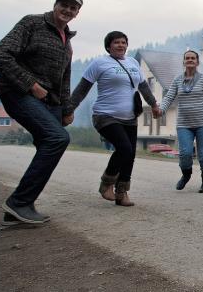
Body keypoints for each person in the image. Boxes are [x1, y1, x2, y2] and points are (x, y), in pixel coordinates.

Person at [0, 0, 82, 224]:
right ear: (55, 5)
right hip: (17, 92)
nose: (67, 10)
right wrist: (30, 84)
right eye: (64, 5)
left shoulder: (66, 42)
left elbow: (64, 80)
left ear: (77, 13)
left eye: (73, 8)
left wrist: (67, 109)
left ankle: (20, 207)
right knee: (57, 138)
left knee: (50, 143)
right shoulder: (32, 23)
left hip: (48, 100)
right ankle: (19, 203)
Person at [69, 31, 160, 207]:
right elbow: (82, 88)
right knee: (124, 148)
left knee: (130, 154)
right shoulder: (99, 63)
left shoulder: (133, 63)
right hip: (105, 115)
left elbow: (143, 86)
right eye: (116, 42)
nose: (121, 45)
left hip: (130, 118)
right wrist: (69, 109)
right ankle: (107, 183)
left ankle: (122, 192)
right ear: (108, 46)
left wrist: (154, 105)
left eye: (124, 42)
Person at [159, 50, 203, 193]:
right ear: (184, 62)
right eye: (187, 58)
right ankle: (186, 175)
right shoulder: (177, 80)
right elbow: (168, 98)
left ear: (197, 62)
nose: (190, 60)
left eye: (193, 58)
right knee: (185, 153)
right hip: (184, 124)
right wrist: (161, 110)